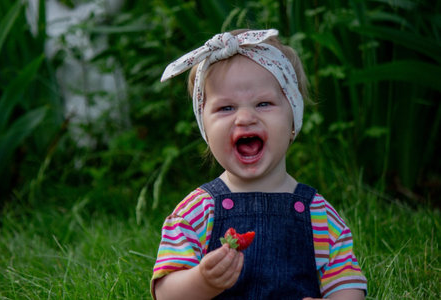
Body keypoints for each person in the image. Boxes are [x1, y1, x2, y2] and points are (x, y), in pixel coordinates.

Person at [151, 29, 367, 299]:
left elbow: (346, 283)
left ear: (293, 122)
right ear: (205, 129)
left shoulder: (318, 215)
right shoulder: (196, 212)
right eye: (226, 108)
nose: (244, 118)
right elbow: (166, 292)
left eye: (264, 103)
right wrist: (203, 281)